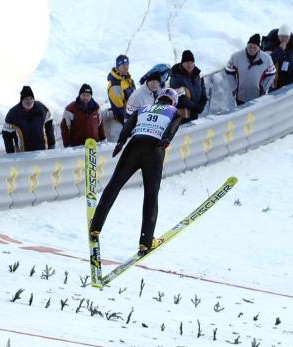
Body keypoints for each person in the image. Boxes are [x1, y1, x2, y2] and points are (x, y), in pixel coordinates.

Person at [89, 88, 182, 256]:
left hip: (134, 145)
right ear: (173, 101)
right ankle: (145, 242)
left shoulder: (144, 108)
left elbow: (129, 125)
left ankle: (95, 226)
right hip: (154, 149)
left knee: (114, 185)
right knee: (151, 196)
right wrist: (166, 140)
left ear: (158, 99)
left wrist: (121, 142)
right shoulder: (174, 111)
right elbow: (173, 126)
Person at [225, 34, 276, 106]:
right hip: (240, 96)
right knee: (242, 115)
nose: (252, 49)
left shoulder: (266, 59)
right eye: (250, 47)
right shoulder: (236, 57)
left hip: (257, 97)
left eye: (254, 48)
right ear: (247, 45)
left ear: (259, 48)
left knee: (252, 116)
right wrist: (234, 88)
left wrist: (263, 88)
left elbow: (271, 74)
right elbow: (229, 72)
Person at [2, 86, 55, 152]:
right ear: (22, 100)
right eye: (26, 99)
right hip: (23, 154)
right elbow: (6, 133)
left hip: (42, 151)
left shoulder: (41, 108)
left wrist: (51, 144)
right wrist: (10, 152)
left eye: (31, 98)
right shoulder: (13, 114)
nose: (29, 101)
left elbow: (49, 123)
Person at [169, 50, 208, 123]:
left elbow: (203, 90)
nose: (189, 65)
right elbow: (180, 99)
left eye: (191, 62)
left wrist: (202, 104)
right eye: (187, 63)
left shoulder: (197, 74)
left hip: (195, 112)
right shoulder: (176, 77)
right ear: (182, 63)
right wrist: (196, 107)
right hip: (183, 115)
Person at [263, 24, 293, 91]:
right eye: (281, 36)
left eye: (286, 37)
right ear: (278, 36)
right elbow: (267, 62)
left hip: (290, 81)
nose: (284, 39)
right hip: (275, 84)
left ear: (289, 37)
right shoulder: (270, 45)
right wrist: (280, 50)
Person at [107, 54, 136, 125]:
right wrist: (129, 123)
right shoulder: (116, 85)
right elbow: (118, 110)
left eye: (127, 64)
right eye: (123, 65)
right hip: (127, 119)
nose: (126, 67)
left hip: (134, 114)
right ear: (117, 67)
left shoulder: (127, 79)